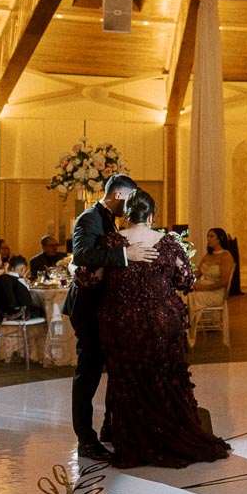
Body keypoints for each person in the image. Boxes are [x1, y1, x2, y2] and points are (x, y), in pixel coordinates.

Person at [81, 189, 230, 470]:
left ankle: (132, 437)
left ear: (126, 213)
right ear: (151, 215)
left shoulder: (111, 243)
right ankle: (167, 430)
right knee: (163, 375)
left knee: (127, 376)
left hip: (121, 320)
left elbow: (88, 279)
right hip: (162, 320)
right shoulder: (168, 243)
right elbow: (185, 280)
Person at [65, 175, 159, 461]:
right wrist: (125, 254)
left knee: (111, 366)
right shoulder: (88, 218)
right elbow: (81, 255)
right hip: (86, 307)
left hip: (104, 308)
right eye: (129, 199)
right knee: (89, 372)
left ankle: (108, 427)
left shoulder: (107, 219)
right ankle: (85, 439)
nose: (131, 206)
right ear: (119, 195)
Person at [188, 228, 236, 328]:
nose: (208, 239)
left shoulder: (226, 256)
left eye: (211, 236)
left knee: (188, 298)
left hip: (215, 293)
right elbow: (197, 273)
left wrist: (204, 288)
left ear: (220, 239)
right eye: (208, 236)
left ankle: (185, 326)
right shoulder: (208, 255)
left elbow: (224, 281)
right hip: (202, 289)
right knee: (182, 293)